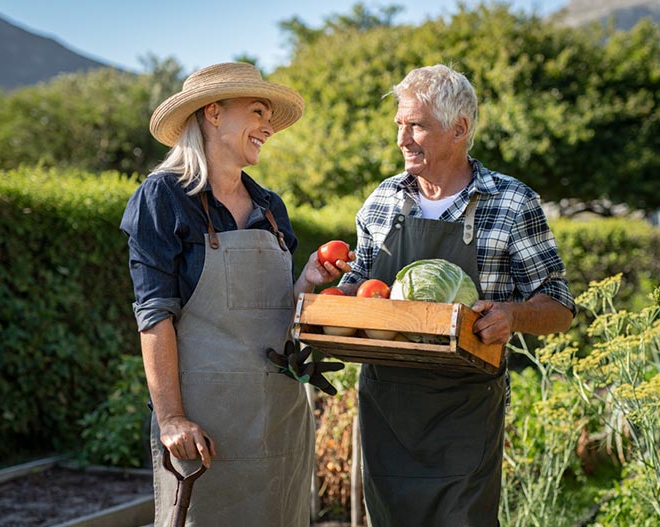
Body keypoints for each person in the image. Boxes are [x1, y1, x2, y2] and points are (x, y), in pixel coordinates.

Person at [338, 64, 576, 527]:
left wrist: (514, 315)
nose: (402, 139)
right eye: (399, 125)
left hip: (465, 414)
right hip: (387, 411)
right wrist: (330, 284)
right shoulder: (383, 200)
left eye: (417, 125)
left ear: (459, 129)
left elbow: (560, 306)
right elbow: (362, 288)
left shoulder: (511, 203)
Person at [120, 62, 347, 527]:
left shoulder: (270, 206)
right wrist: (170, 420)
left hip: (281, 421)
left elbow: (273, 311)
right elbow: (154, 316)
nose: (268, 126)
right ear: (214, 113)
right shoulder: (164, 198)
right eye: (258, 111)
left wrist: (306, 281)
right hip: (207, 432)